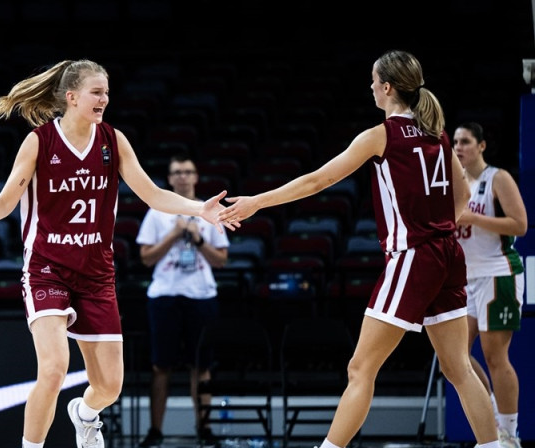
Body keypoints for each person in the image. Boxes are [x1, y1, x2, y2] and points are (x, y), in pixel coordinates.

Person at [0, 59, 235, 448]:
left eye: (107, 92)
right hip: (47, 269)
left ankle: (85, 413)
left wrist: (200, 210)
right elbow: (6, 203)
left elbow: (152, 194)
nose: (104, 99)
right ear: (72, 97)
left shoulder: (113, 140)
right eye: (96, 92)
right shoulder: (40, 141)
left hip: (96, 274)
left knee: (109, 386)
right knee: (54, 369)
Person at [218, 50, 500, 448]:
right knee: (459, 370)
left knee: (360, 367)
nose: (369, 87)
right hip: (448, 255)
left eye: (373, 81)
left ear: (386, 88)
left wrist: (256, 202)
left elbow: (316, 181)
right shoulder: (436, 133)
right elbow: (465, 194)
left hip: (414, 256)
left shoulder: (381, 135)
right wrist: (441, 229)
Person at [135, 153, 229, 447]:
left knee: (201, 366)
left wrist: (198, 239)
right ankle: (155, 431)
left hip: (201, 295)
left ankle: (204, 429)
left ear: (196, 176)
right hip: (165, 295)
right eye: (177, 172)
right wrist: (174, 234)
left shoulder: (210, 210)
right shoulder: (156, 211)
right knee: (161, 366)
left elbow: (222, 260)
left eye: (187, 171)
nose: (182, 177)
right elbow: (146, 258)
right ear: (170, 178)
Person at [453, 121, 527, 448]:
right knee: (453, 358)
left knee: (494, 356)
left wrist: (473, 218)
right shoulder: (453, 186)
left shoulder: (497, 178)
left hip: (499, 273)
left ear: (481, 146)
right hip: (464, 279)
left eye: (466, 141)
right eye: (455, 142)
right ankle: (494, 412)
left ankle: (509, 434)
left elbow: (520, 224)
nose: (458, 147)